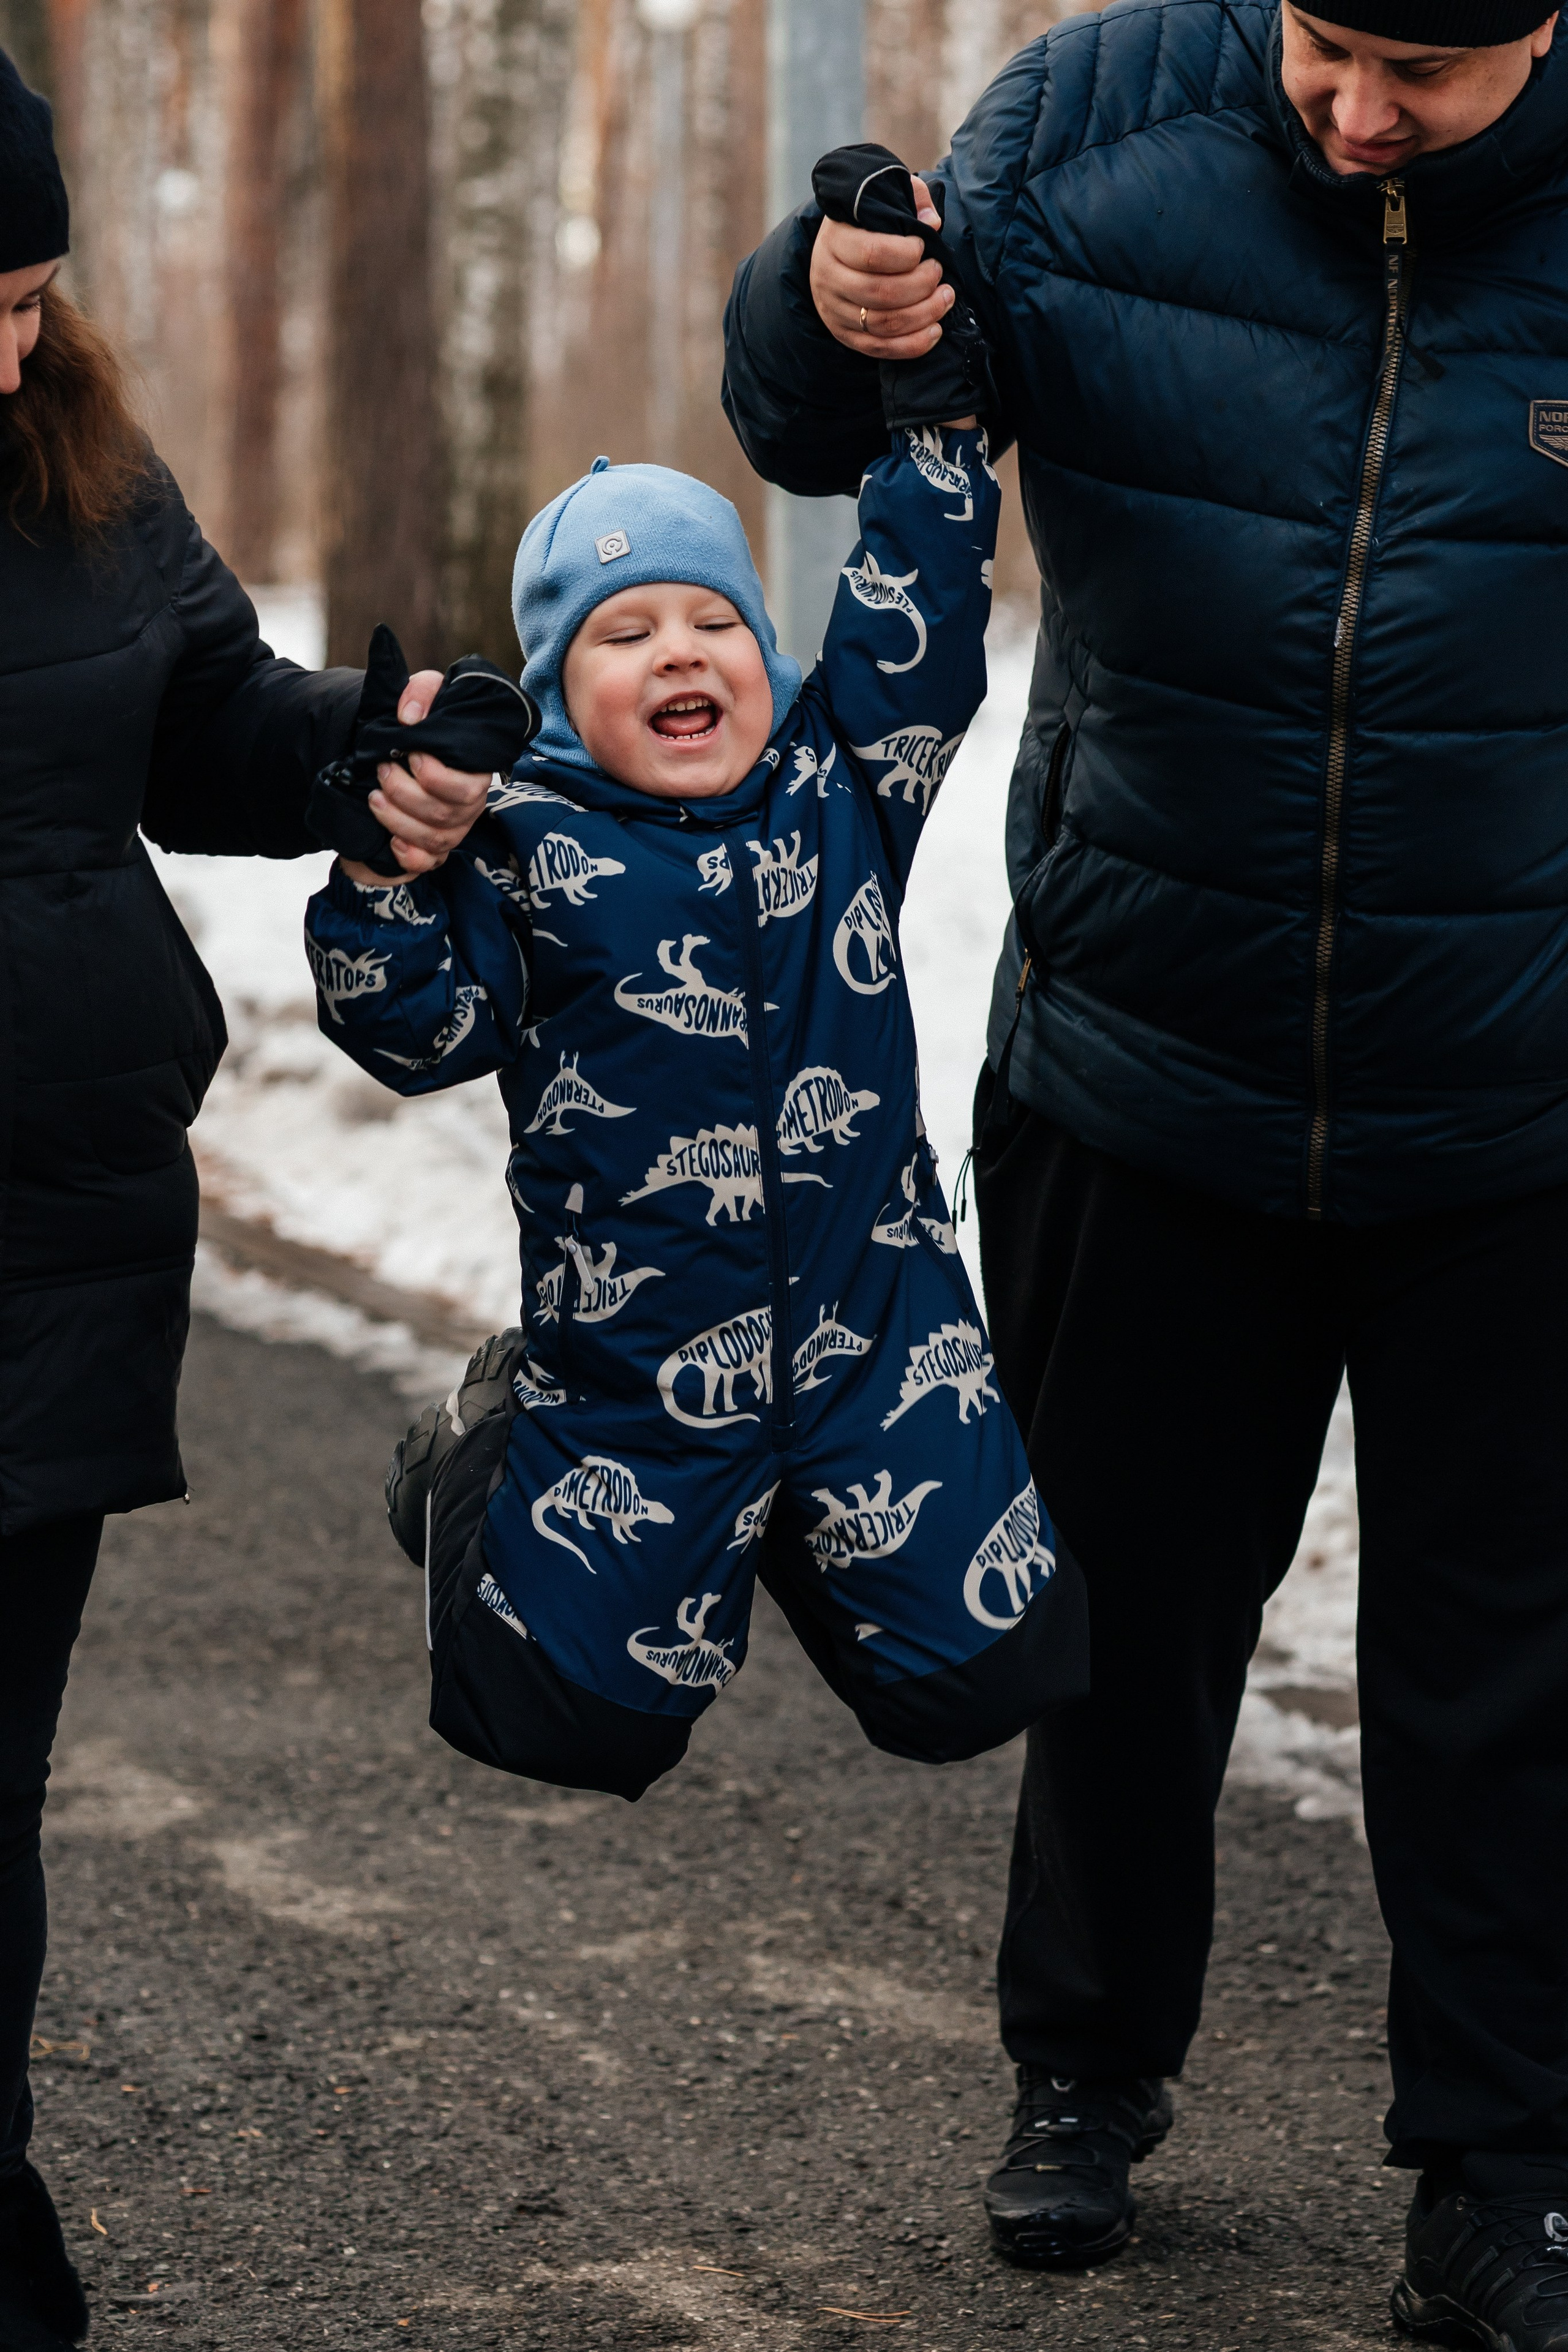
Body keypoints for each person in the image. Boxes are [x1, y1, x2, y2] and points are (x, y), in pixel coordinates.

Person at [723, 2, 1568, 2340]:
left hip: (1517, 1103)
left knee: (1508, 1665)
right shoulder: (1089, 129)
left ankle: (1511, 2164)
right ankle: (1082, 2070)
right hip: (1145, 1057)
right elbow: (817, 420)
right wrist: (828, 300)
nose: (1360, 111)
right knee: (1119, 1613)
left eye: (1432, 69)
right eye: (1324, 44)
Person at [0, 55, 492, 2352]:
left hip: (51, 1223)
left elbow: (200, 716)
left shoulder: (73, 465)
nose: (11, 353)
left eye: (29, 301)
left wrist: (357, 759)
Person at [301, 424, 1090, 1806]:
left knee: (996, 1681)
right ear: (555, 694)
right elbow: (409, 1033)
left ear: (763, 659)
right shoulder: (523, 851)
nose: (678, 651)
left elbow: (917, 620)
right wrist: (383, 871)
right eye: (625, 634)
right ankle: (471, 1478)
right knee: (554, 1723)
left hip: (874, 1344)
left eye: (712, 618)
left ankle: (803, 1529)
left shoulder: (840, 787)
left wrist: (938, 430)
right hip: (640, 1382)